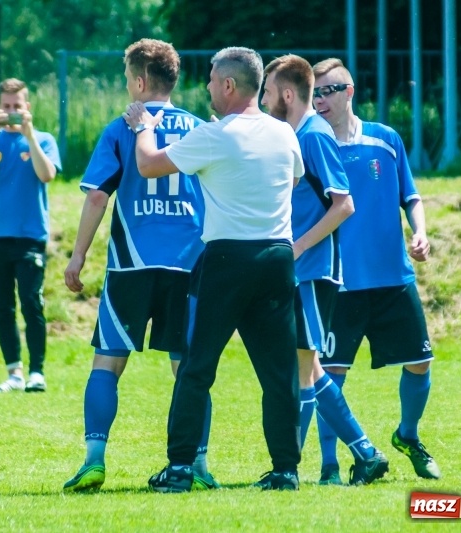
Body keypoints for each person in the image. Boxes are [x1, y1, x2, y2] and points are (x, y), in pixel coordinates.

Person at [125, 46, 305, 492]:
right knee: (279, 372)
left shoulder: (216, 135)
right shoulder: (284, 134)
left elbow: (148, 164)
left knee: (197, 366)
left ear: (228, 85)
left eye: (210, 79)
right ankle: (286, 470)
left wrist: (145, 127)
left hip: (228, 259)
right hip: (278, 257)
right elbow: (295, 178)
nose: (205, 87)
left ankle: (181, 467)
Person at [62, 39, 217, 492]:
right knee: (187, 369)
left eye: (128, 79)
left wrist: (77, 256)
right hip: (188, 265)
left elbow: (96, 195)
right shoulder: (199, 128)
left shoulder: (121, 127)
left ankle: (94, 458)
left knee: (107, 364)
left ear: (140, 80)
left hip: (131, 265)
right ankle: (199, 465)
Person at [261, 54, 389, 486]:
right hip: (302, 269)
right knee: (305, 368)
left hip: (313, 270)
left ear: (287, 94)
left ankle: (359, 452)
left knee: (309, 367)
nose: (262, 101)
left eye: (266, 92)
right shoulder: (297, 133)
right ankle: (299, 464)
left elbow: (344, 205)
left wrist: (295, 249)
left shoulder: (313, 136)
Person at [311, 57, 441, 480]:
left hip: (392, 278)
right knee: (330, 376)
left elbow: (411, 195)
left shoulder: (385, 140)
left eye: (327, 91)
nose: (319, 100)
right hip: (339, 283)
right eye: (313, 93)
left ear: (349, 92)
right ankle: (330, 464)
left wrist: (420, 232)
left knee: (420, 362)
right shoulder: (312, 145)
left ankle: (407, 434)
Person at [0, 78, 61, 394]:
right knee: (2, 308)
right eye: (6, 107)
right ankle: (14, 373)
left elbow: (47, 174)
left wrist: (29, 135)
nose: (11, 112)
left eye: (17, 107)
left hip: (30, 236)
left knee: (31, 303)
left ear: (27, 107)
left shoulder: (43, 139)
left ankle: (37, 372)